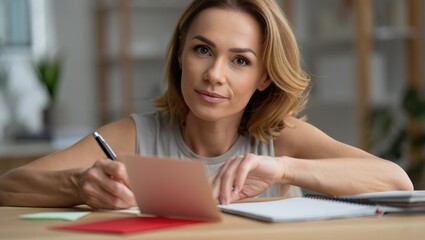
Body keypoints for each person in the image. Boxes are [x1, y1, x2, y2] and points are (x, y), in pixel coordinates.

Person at [0, 0, 413, 209]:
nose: (215, 74)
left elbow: (397, 182)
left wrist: (285, 168)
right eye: (202, 50)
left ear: (264, 76)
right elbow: (9, 185)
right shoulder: (134, 135)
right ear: (180, 54)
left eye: (240, 60)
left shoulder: (281, 139)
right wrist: (78, 184)